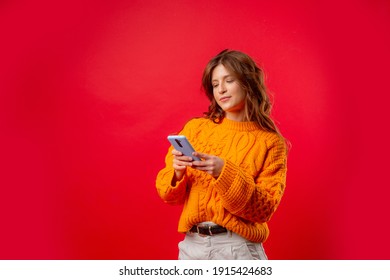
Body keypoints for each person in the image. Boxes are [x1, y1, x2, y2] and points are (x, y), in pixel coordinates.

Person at [155, 49, 288, 260]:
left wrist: (223, 172)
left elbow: (264, 210)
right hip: (192, 247)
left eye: (229, 81)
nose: (221, 90)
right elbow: (167, 195)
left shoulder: (270, 142)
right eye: (215, 84)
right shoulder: (195, 129)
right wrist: (177, 172)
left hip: (238, 249)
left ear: (247, 83)